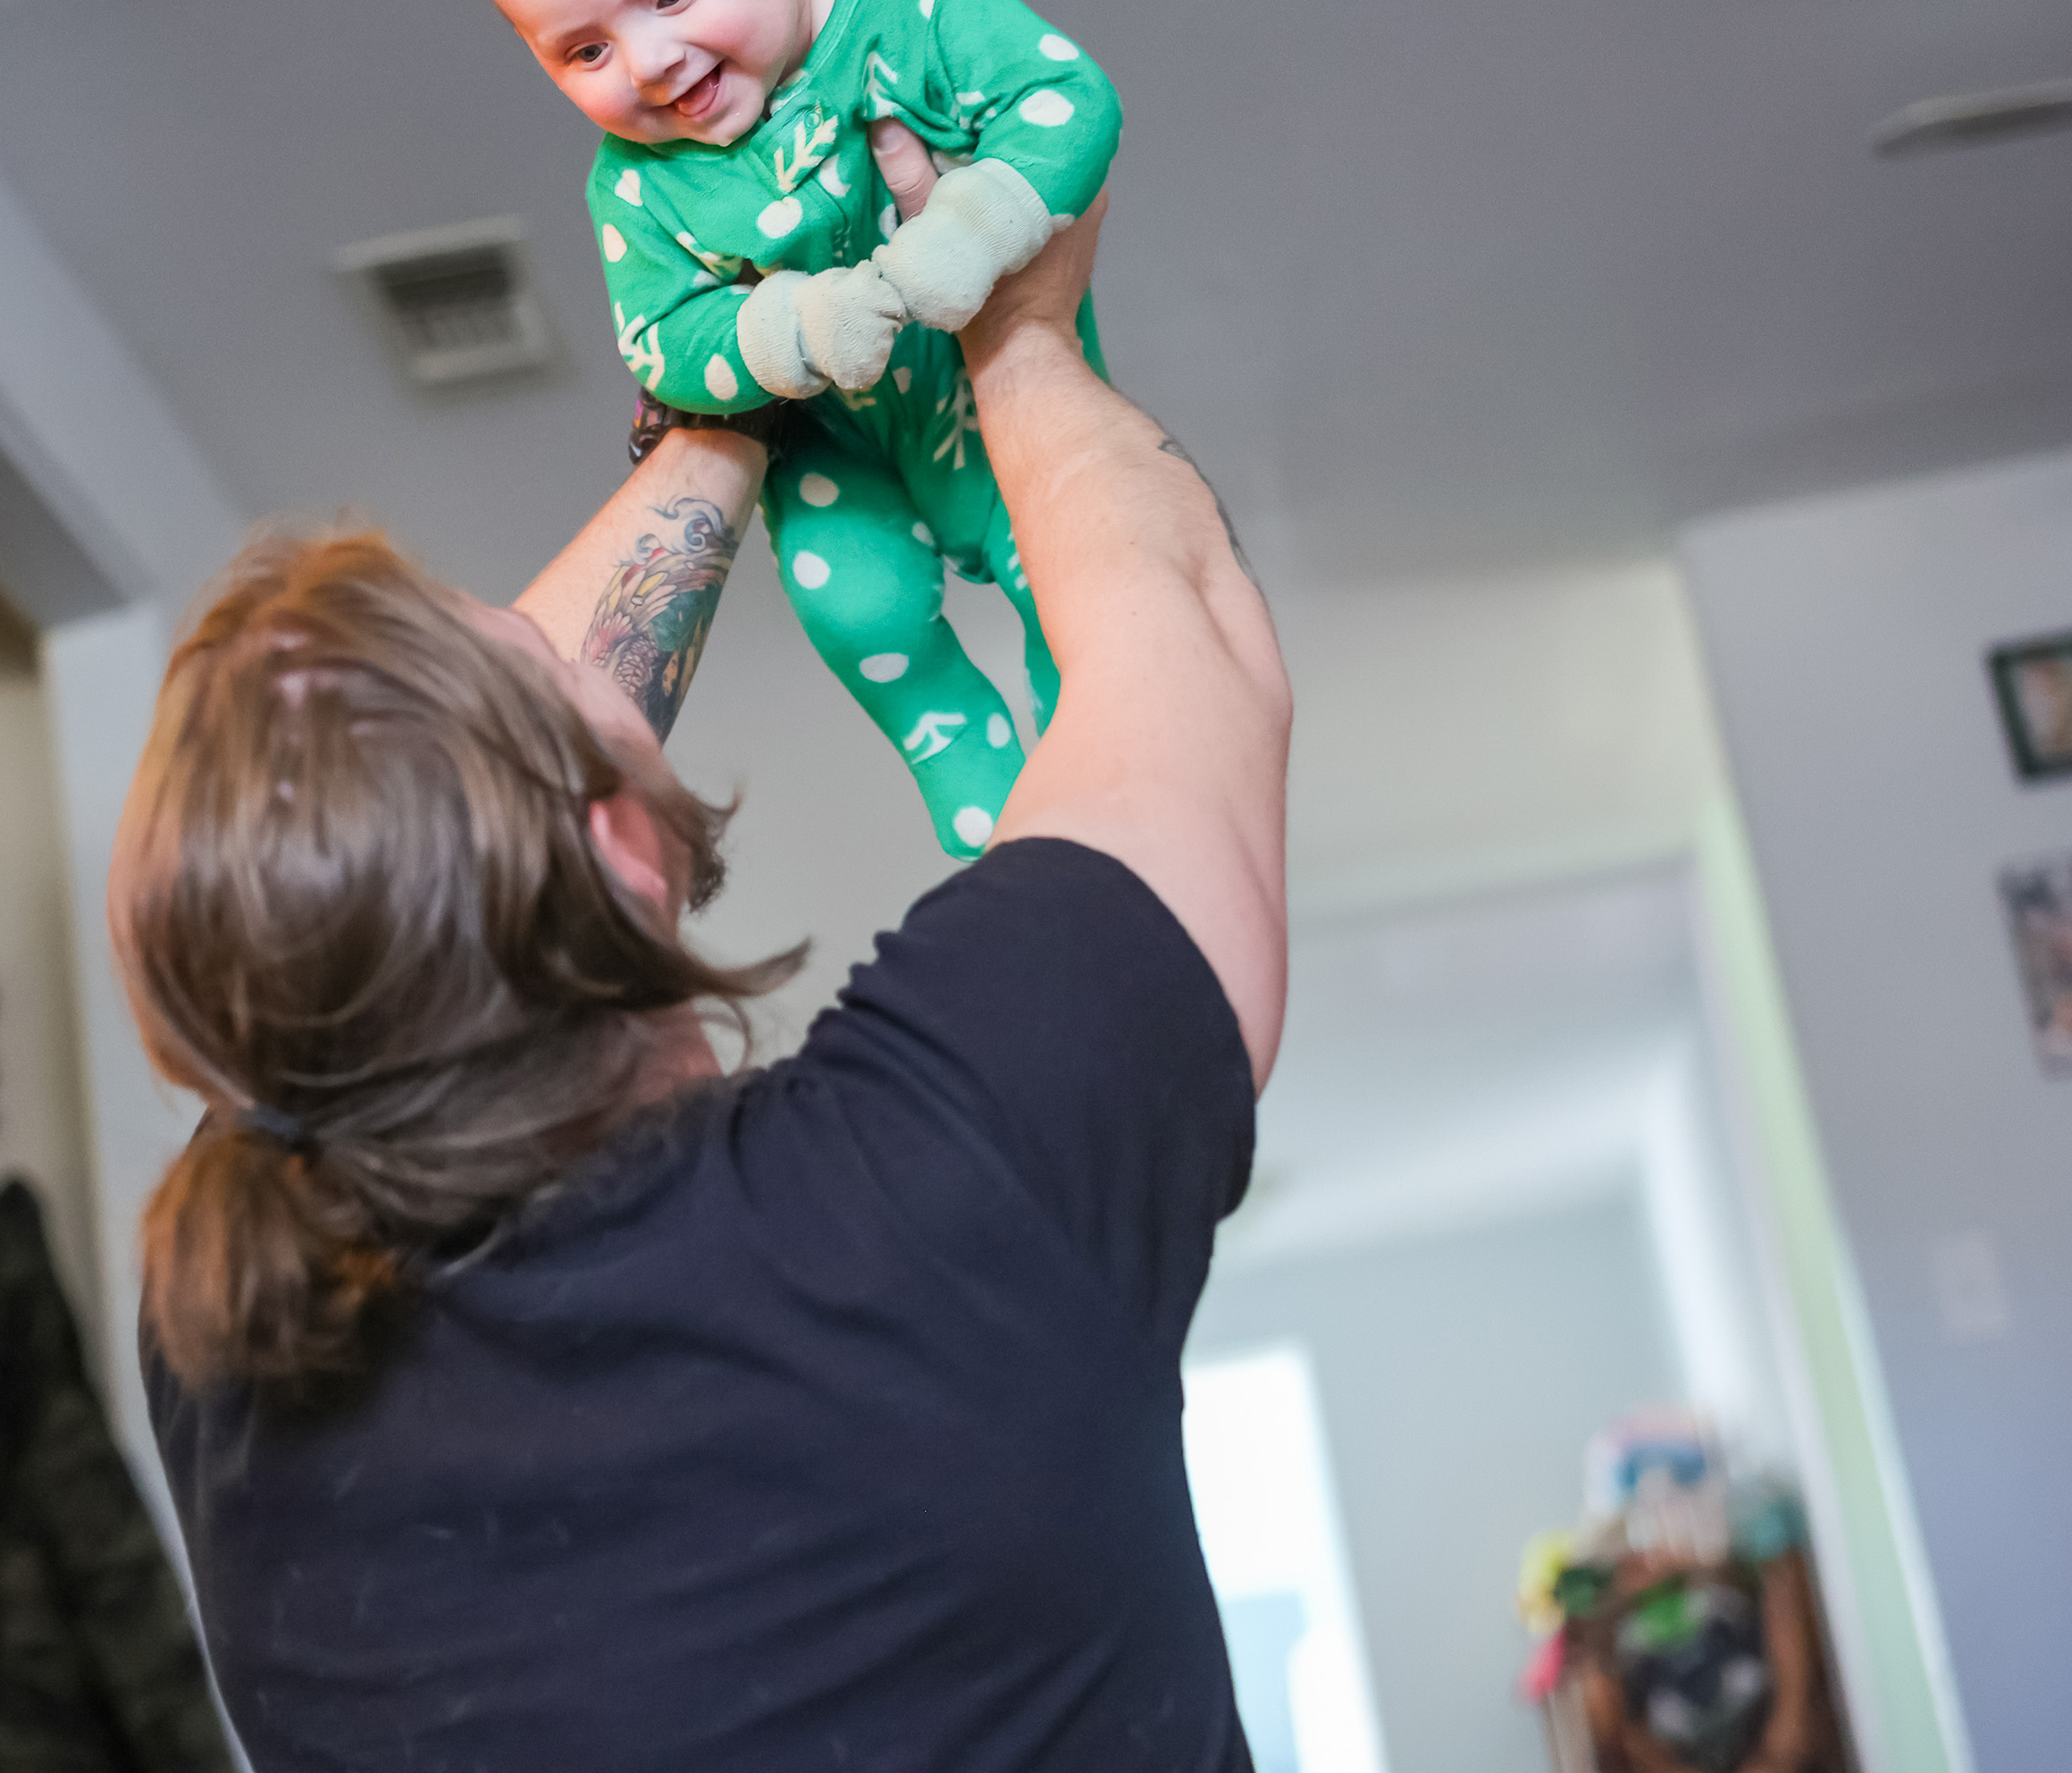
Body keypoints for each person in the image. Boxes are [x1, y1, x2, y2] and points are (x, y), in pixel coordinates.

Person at [116, 188, 1289, 1769]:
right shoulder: (953, 1161)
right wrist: (1010, 325)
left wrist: (730, 399)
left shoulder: (239, 1365)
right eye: (542, 663)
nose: (576, 653)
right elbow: (1186, 640)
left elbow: (418, 846)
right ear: (615, 852)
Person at [471, 0, 1123, 853]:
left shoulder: (911, 11)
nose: (650, 62)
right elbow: (664, 340)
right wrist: (792, 328)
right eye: (583, 49)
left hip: (987, 410)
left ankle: (1094, 801)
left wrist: (974, 227)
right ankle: (986, 816)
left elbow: (1068, 99)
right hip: (840, 456)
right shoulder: (634, 183)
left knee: (1074, 586)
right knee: (859, 613)